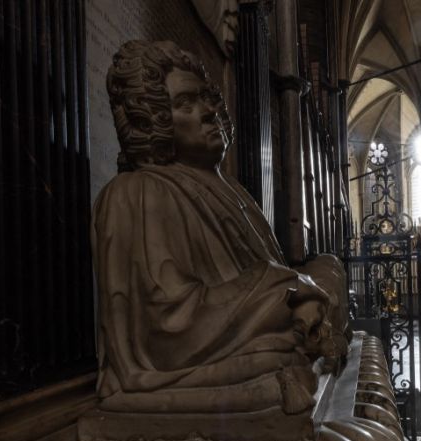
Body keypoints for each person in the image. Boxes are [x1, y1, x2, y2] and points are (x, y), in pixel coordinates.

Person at [92, 40, 345, 416]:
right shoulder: (140, 192)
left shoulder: (231, 188)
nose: (209, 111)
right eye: (185, 104)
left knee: (329, 265)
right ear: (153, 118)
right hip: (210, 339)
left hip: (255, 315)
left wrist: (298, 287)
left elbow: (268, 276)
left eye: (208, 99)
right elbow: (170, 327)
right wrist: (292, 290)